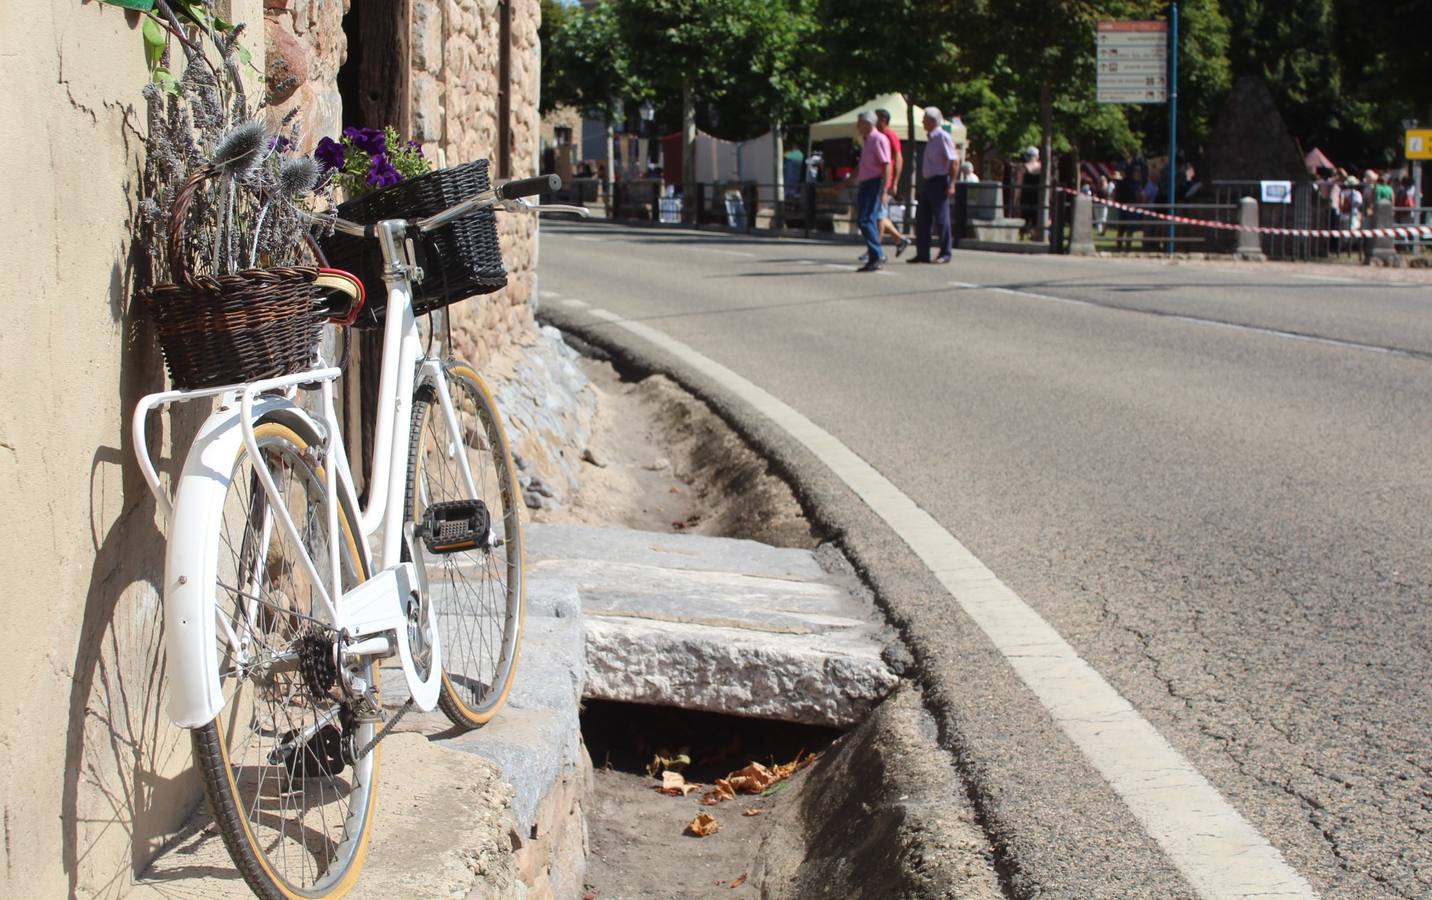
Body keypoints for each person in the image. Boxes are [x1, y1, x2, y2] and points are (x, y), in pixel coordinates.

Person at [909, 106, 958, 264]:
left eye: (925, 118)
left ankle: (945, 253)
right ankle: (922, 253)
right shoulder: (931, 138)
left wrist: (951, 184)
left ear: (932, 120)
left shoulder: (942, 137)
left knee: (942, 219)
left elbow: (954, 161)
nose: (922, 121)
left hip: (939, 180)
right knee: (922, 218)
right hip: (929, 181)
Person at [853, 112, 891, 272]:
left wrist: (885, 189)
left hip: (874, 183)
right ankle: (876, 255)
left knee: (866, 219)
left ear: (868, 123)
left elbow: (886, 164)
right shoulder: (868, 140)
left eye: (860, 123)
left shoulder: (878, 139)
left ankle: (877, 255)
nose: (857, 126)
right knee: (866, 219)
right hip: (867, 183)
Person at [871, 109, 911, 257]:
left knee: (878, 215)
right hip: (878, 179)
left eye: (876, 117)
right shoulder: (877, 135)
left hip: (885, 181)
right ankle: (899, 240)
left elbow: (898, 158)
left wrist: (894, 183)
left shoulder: (889, 135)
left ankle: (875, 250)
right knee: (879, 214)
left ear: (883, 120)